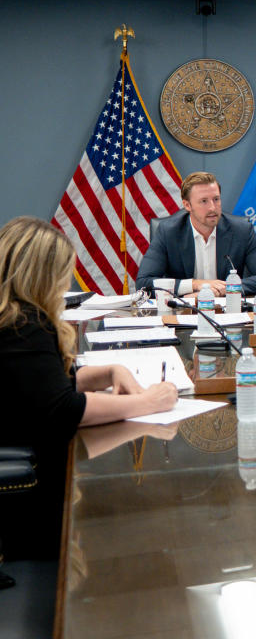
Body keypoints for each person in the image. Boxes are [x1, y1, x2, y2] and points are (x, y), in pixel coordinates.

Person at [0, 217, 178, 559]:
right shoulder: (25, 323)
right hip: (29, 500)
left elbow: (31, 387)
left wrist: (106, 371)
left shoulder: (10, 317)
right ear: (42, 276)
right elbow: (63, 409)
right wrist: (147, 402)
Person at [135, 171, 256, 296]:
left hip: (228, 312)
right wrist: (196, 284)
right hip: (183, 311)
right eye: (204, 201)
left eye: (216, 199)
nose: (212, 207)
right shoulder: (168, 231)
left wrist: (224, 289)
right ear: (187, 205)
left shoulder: (241, 230)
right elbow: (143, 283)